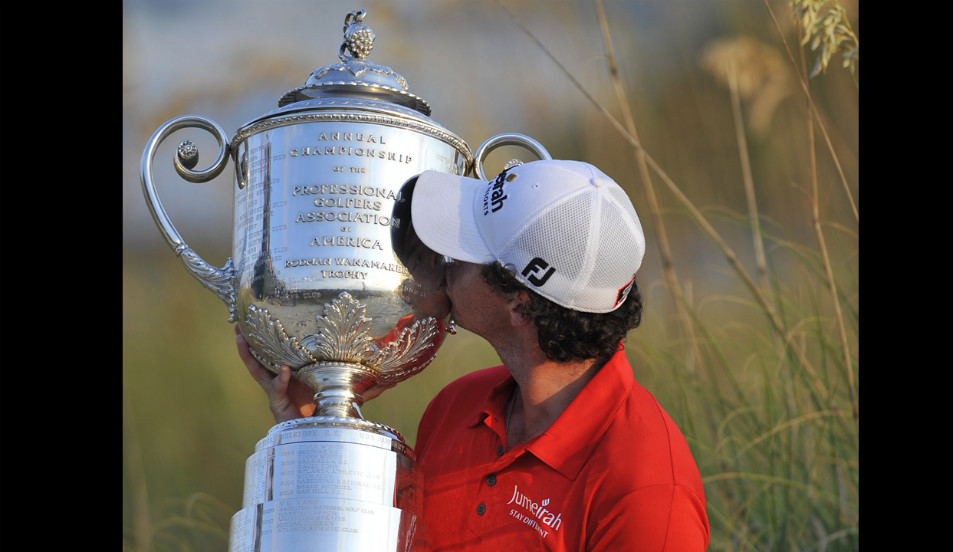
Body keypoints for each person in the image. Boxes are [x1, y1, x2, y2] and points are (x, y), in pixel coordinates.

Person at [237, 159, 710, 551]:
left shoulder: (648, 490)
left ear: (519, 304)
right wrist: (311, 425)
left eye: (463, 252)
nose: (442, 262)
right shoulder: (457, 407)